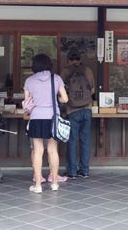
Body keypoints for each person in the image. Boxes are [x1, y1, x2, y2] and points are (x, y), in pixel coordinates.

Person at [23, 54, 68, 193]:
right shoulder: (57, 78)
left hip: (36, 117)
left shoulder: (29, 81)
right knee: (52, 150)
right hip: (52, 117)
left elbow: (27, 104)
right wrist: (56, 100)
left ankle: (38, 185)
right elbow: (65, 99)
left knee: (37, 150)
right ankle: (54, 183)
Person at [61, 49, 95, 180]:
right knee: (85, 140)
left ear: (69, 59)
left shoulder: (65, 71)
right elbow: (92, 90)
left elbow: (61, 92)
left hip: (72, 110)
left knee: (72, 140)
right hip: (87, 109)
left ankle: (72, 171)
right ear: (80, 59)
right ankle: (85, 170)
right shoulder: (88, 70)